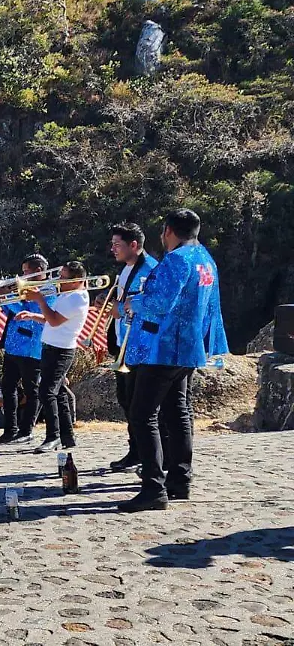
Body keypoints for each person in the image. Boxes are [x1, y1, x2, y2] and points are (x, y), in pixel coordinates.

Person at [119, 209, 229, 512]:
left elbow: (160, 303)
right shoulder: (206, 259)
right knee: (178, 411)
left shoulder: (177, 259)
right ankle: (180, 480)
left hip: (163, 347)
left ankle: (153, 487)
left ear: (168, 231)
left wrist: (134, 302)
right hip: (189, 346)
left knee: (142, 414)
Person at [17, 261, 90, 453]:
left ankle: (53, 436)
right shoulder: (66, 295)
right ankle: (67, 436)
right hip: (51, 346)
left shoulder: (77, 298)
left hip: (61, 349)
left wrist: (40, 300)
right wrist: (32, 316)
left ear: (76, 280)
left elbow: (55, 321)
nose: (59, 280)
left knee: (46, 392)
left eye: (64, 277)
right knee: (58, 393)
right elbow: (52, 319)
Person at [106, 223, 159, 472]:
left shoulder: (151, 270)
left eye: (118, 244)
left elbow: (150, 308)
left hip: (140, 346)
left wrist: (122, 308)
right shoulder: (126, 270)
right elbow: (123, 301)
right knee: (126, 400)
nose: (113, 248)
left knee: (142, 407)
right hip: (123, 343)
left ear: (134, 245)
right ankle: (136, 449)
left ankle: (152, 458)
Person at [0, 254, 50, 445]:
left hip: (32, 347)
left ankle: (26, 430)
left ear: (39, 271)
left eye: (26, 272)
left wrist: (7, 296)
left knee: (32, 390)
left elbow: (37, 313)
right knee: (8, 388)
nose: (22, 276)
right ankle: (10, 430)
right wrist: (3, 299)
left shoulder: (49, 289)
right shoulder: (25, 287)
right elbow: (10, 312)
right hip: (13, 345)